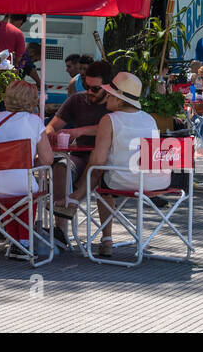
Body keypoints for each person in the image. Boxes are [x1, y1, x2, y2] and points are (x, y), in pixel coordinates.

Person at [59, 72, 169, 257]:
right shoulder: (149, 119)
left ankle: (104, 235)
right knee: (104, 169)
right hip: (157, 182)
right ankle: (75, 199)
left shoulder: (109, 120)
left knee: (101, 171)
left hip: (123, 181)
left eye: (110, 94)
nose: (106, 96)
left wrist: (83, 184)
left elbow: (98, 162)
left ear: (119, 100)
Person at [0, 80, 53, 253]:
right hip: (19, 186)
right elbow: (47, 159)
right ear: (32, 100)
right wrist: (31, 163)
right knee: (26, 189)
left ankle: (15, 240)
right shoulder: (34, 121)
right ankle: (24, 242)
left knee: (12, 187)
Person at [43, 60, 113, 244]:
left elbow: (113, 126)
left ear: (108, 87)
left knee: (99, 169)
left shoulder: (117, 104)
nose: (89, 92)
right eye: (86, 86)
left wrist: (79, 131)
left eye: (95, 89)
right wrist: (52, 136)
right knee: (60, 167)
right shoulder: (77, 100)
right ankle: (60, 230)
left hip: (107, 160)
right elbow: (51, 126)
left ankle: (106, 237)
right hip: (79, 157)